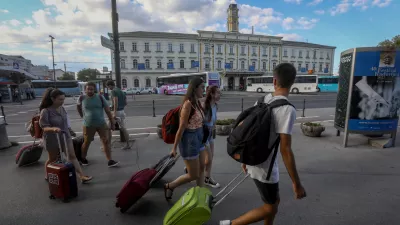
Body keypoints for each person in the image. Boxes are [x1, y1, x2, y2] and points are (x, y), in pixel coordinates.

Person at [219, 63, 306, 225]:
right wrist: (297, 184)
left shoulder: (263, 99)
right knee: (271, 207)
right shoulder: (287, 110)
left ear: (274, 81)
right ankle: (231, 224)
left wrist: (244, 160)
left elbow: (247, 130)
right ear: (292, 82)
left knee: (273, 202)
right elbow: (285, 150)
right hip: (264, 167)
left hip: (251, 158)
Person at [164, 77, 206, 200]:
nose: (204, 89)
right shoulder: (188, 104)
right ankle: (170, 186)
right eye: (202, 87)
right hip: (189, 139)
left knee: (202, 168)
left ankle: (200, 196)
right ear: (195, 89)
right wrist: (174, 148)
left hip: (199, 137)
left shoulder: (198, 102)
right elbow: (181, 128)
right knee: (193, 175)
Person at [39, 88, 92, 183]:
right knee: (53, 158)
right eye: (60, 99)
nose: (62, 101)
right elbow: (44, 127)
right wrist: (53, 129)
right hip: (52, 138)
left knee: (72, 156)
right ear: (53, 99)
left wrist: (70, 130)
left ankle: (81, 176)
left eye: (63, 99)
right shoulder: (45, 111)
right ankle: (47, 173)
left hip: (65, 135)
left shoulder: (62, 109)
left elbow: (65, 123)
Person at [77, 82, 119, 168]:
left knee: (106, 141)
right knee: (87, 142)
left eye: (91, 89)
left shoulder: (100, 97)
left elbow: (107, 110)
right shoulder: (82, 98)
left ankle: (110, 160)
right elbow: (78, 107)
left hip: (101, 124)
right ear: (85, 89)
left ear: (94, 89)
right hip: (88, 125)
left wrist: (112, 122)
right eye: (88, 89)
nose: (90, 91)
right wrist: (82, 115)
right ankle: (83, 158)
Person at [201, 85, 221, 188]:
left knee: (211, 157)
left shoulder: (215, 105)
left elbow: (213, 120)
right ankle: (206, 178)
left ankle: (203, 175)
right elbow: (200, 121)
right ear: (212, 94)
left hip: (211, 133)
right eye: (217, 92)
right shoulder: (205, 106)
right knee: (208, 158)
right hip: (204, 134)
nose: (219, 94)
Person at [106, 80, 131, 150]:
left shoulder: (113, 91)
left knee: (108, 128)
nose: (108, 88)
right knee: (123, 128)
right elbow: (126, 102)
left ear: (110, 85)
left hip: (116, 112)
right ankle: (128, 144)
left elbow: (115, 101)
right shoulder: (121, 91)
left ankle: (109, 146)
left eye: (108, 87)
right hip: (122, 111)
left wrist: (114, 113)